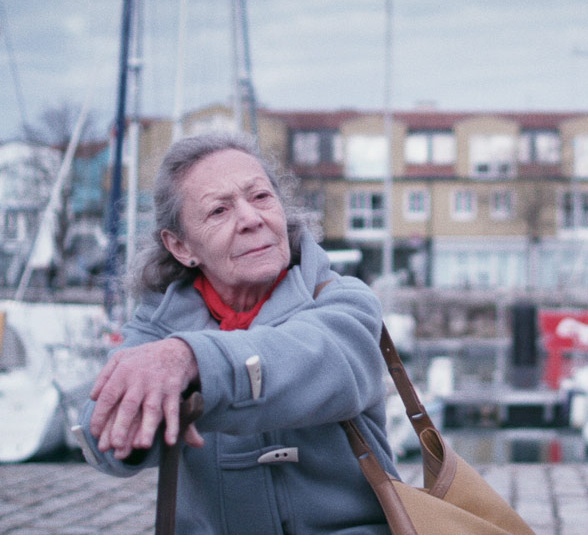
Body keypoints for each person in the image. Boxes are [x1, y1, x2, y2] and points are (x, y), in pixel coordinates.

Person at [77, 132, 396, 534]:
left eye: (261, 197)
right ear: (180, 246)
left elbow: (322, 360)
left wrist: (192, 361)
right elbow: (100, 432)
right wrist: (138, 417)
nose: (250, 219)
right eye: (219, 211)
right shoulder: (156, 325)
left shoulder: (343, 301)